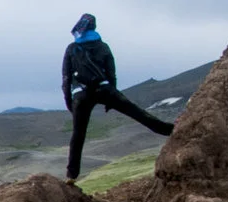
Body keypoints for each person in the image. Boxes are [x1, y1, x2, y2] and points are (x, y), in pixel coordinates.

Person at [62, 13, 173, 181]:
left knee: (78, 135)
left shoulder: (72, 48)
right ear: (94, 27)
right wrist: (112, 96)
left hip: (81, 94)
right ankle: (168, 130)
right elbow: (111, 73)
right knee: (136, 112)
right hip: (105, 89)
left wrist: (70, 102)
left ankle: (71, 175)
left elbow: (66, 78)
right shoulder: (103, 46)